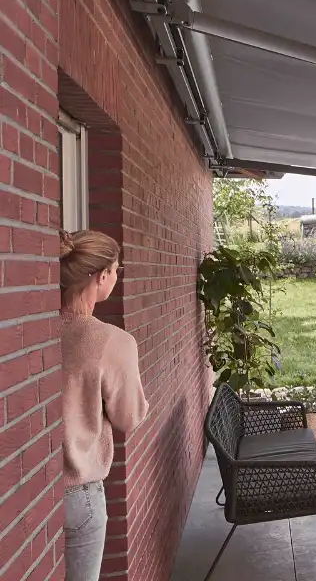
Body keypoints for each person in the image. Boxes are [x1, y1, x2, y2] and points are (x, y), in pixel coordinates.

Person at [59, 230, 149, 581]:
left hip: (30, 491)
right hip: (78, 495)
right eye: (116, 270)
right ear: (101, 277)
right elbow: (129, 417)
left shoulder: (31, 330)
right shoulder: (113, 341)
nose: (117, 276)